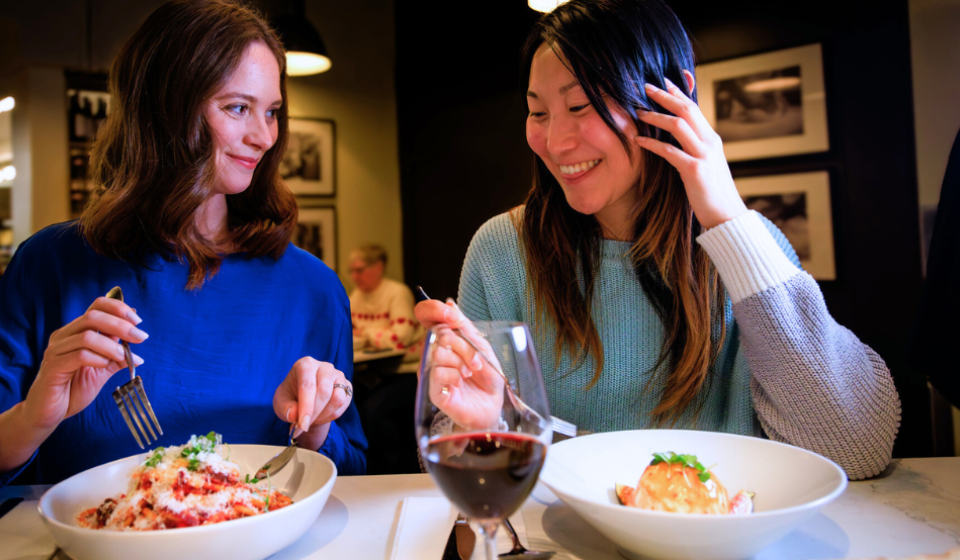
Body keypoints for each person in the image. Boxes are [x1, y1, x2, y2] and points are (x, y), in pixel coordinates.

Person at [416, 0, 900, 480]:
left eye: (580, 105)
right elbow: (457, 460)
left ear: (676, 95)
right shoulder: (503, 250)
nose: (557, 141)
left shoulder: (750, 249)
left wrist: (728, 219)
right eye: (537, 112)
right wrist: (482, 428)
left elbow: (856, 448)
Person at [0, 0, 366, 486]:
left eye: (272, 112)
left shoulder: (313, 289)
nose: (264, 136)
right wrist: (34, 416)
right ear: (164, 111)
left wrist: (317, 429)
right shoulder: (48, 265)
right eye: (238, 108)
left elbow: (359, 472)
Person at [349, 244, 424, 364]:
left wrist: (365, 333)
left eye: (359, 270)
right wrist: (379, 333)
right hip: (371, 365)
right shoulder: (356, 296)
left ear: (378, 267)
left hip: (404, 367)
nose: (354, 277)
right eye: (351, 271)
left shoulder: (398, 293)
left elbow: (399, 339)